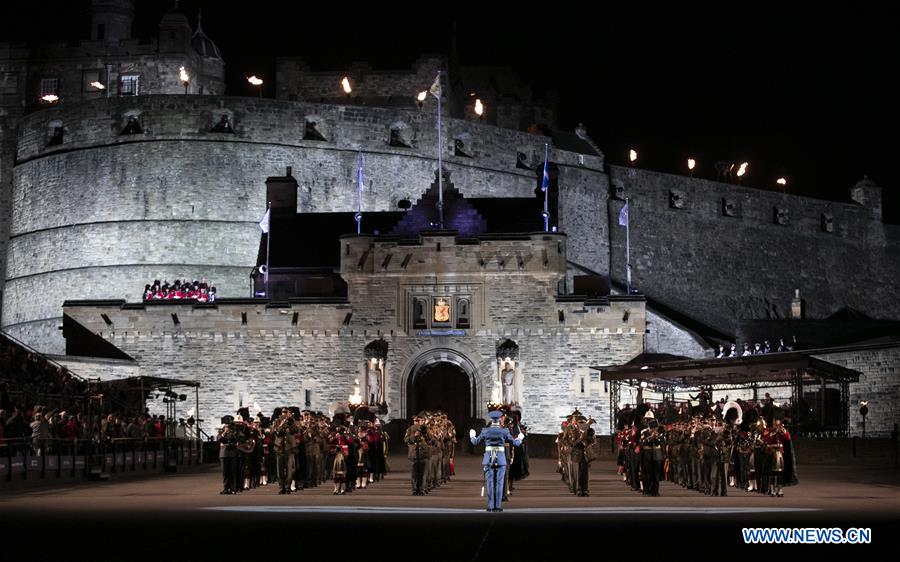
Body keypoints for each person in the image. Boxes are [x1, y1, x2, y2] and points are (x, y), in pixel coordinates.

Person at [469, 409, 524, 512]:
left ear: (491, 419)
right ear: (499, 419)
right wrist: (520, 438)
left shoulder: (485, 430)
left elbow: (475, 442)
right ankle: (498, 506)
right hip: (501, 458)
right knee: (500, 483)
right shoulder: (504, 431)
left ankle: (490, 505)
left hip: (489, 458)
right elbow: (515, 443)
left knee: (490, 483)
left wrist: (472, 435)